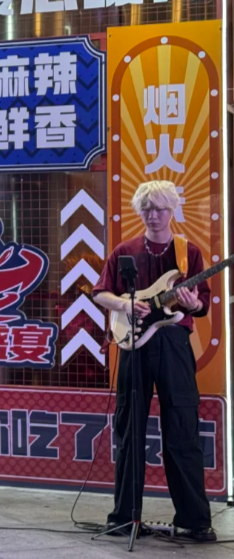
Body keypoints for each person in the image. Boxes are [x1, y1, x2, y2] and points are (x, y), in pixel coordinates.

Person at [93, 180, 215, 543]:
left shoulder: (188, 252)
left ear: (172, 209)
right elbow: (101, 293)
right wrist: (125, 304)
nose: (154, 215)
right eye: (147, 208)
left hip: (174, 343)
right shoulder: (124, 251)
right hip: (134, 345)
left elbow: (202, 303)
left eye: (160, 208)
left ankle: (194, 520)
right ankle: (124, 517)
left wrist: (193, 304)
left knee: (182, 429)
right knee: (129, 429)